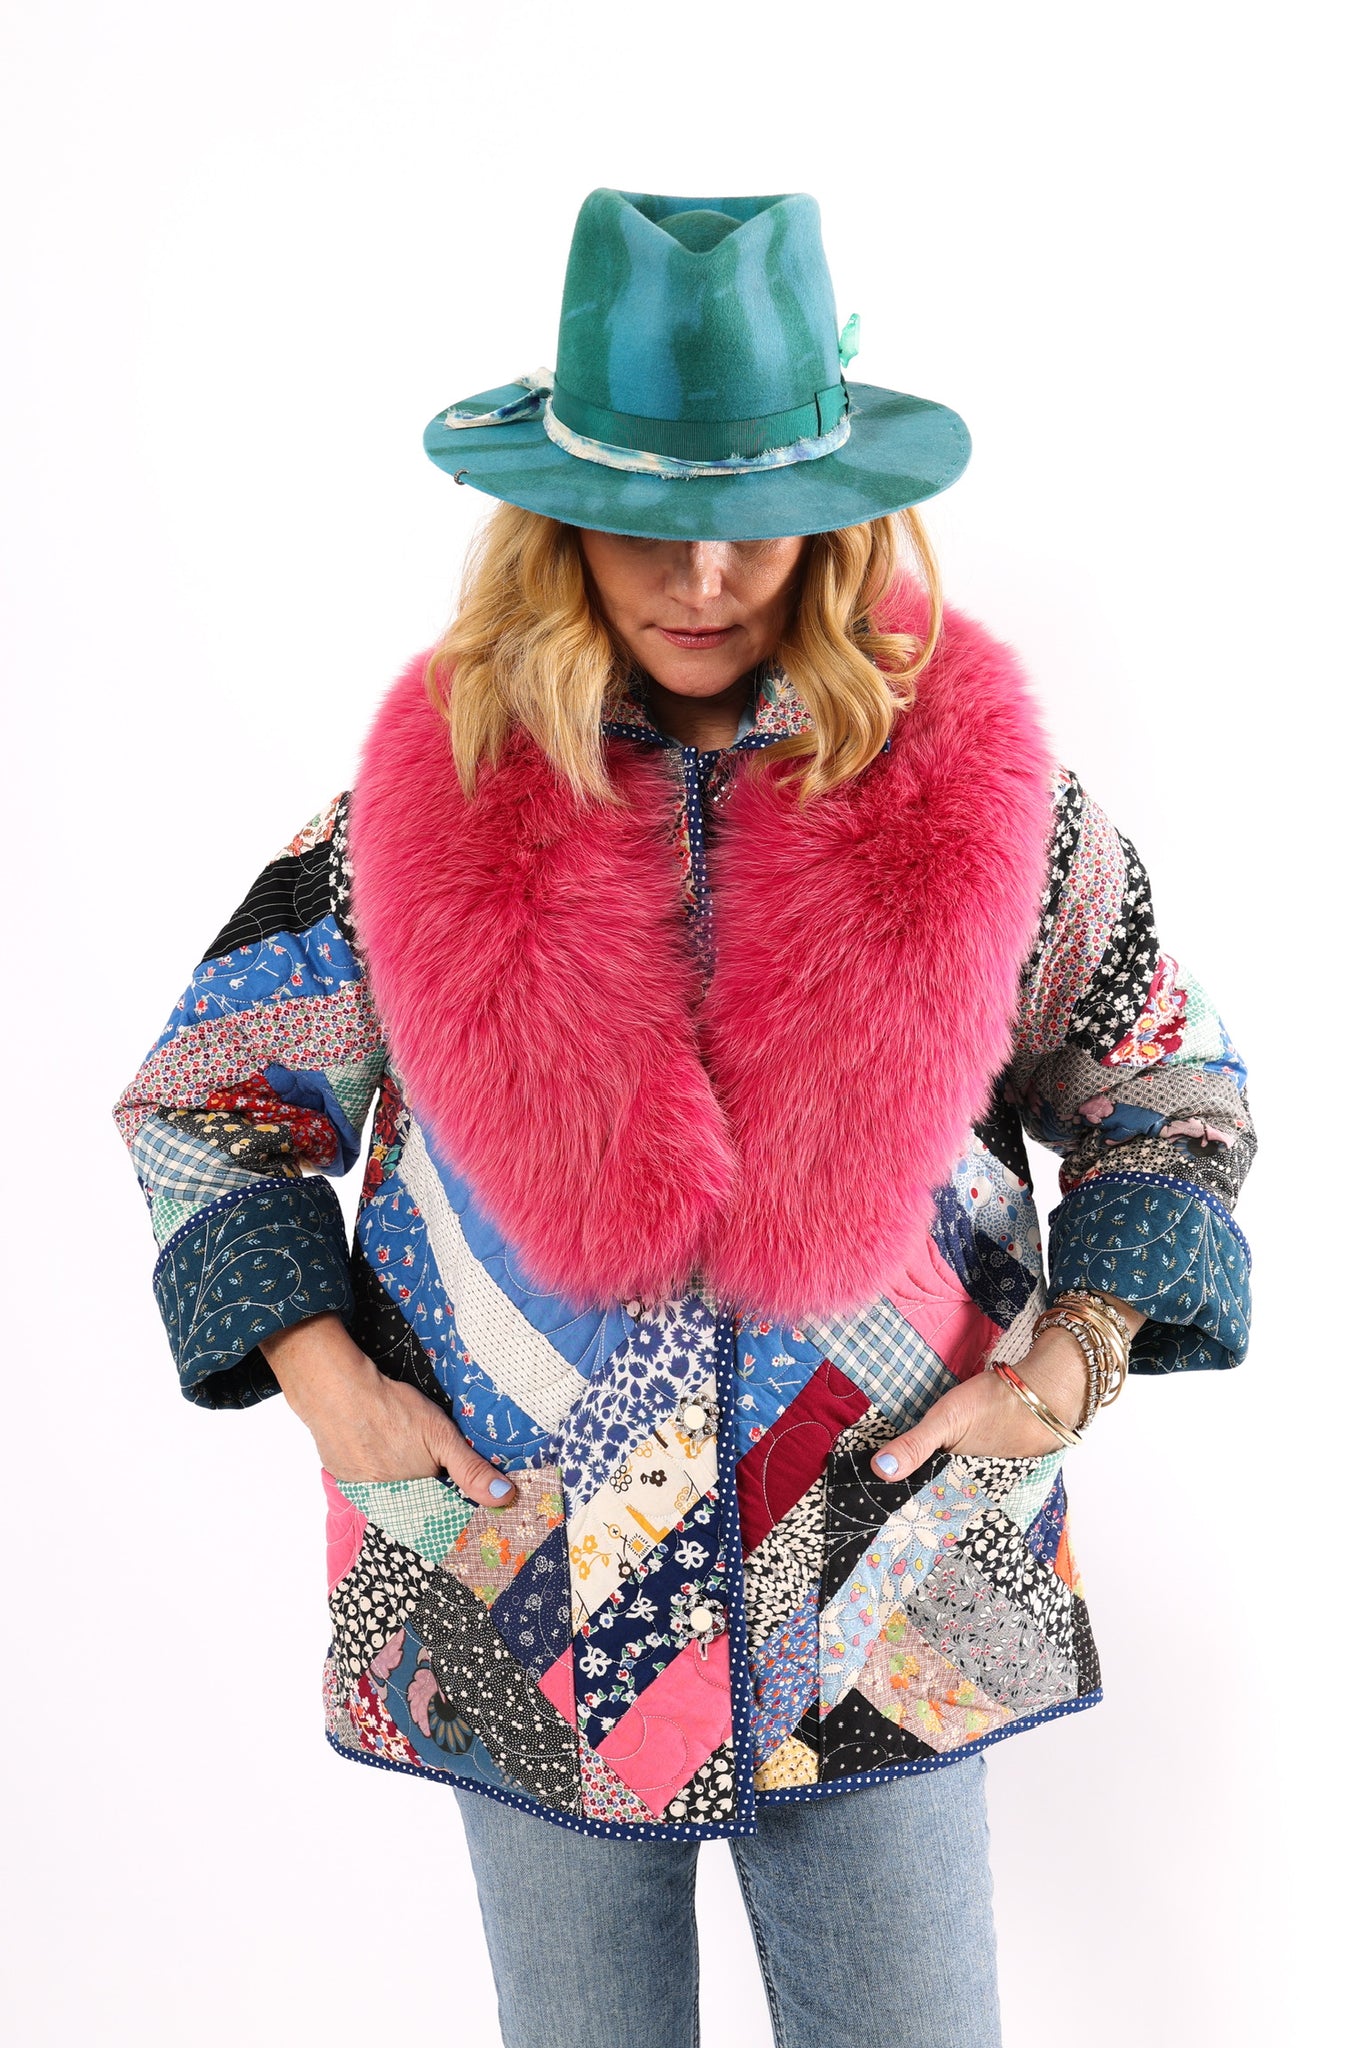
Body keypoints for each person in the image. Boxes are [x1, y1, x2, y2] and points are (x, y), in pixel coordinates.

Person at [114, 188, 1255, 2048]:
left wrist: (1067, 1372)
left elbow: (1173, 1090)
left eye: (750, 520)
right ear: (558, 514)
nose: (704, 577)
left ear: (836, 511)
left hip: (882, 1574)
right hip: (516, 1577)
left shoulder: (988, 801)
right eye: (651, 521)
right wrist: (339, 1400)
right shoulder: (426, 801)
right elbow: (205, 1104)